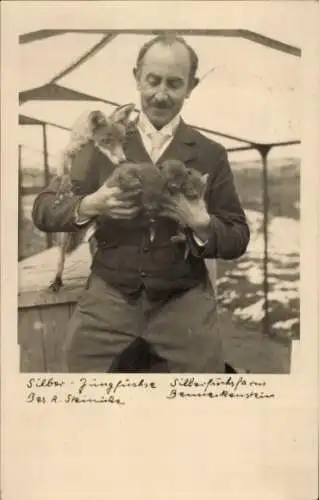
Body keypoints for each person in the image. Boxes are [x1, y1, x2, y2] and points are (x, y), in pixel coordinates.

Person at [32, 34, 250, 373]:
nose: (161, 94)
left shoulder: (210, 153)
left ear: (191, 86)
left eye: (175, 84)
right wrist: (90, 204)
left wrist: (203, 225)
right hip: (109, 297)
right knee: (74, 392)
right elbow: (43, 209)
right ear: (137, 77)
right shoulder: (99, 141)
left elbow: (238, 235)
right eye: (153, 80)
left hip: (184, 303)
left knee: (206, 398)